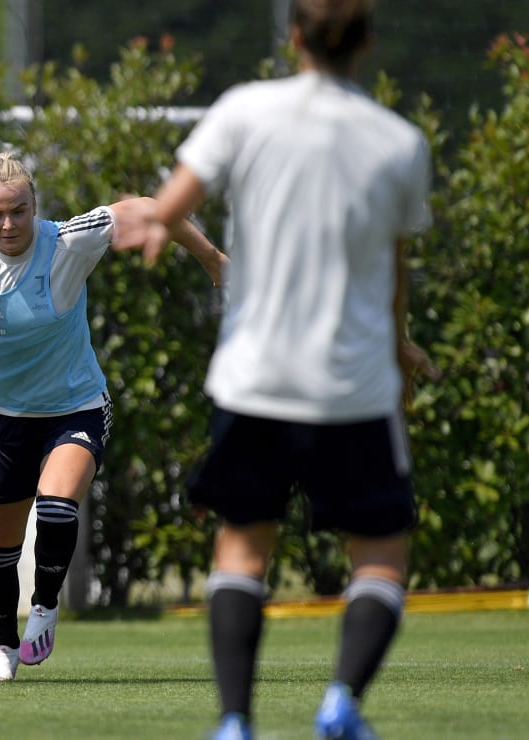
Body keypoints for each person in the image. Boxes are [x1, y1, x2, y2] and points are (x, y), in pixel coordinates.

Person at [122, 1, 437, 737]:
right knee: (381, 554)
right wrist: (399, 349)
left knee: (243, 542)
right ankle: (341, 701)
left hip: (255, 379)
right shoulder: (399, 142)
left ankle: (235, 721)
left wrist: (160, 228)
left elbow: (168, 206)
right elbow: (394, 270)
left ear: (292, 36)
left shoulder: (244, 112)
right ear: (367, 43)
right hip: (352, 386)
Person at [0, 151, 227, 681]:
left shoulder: (68, 241)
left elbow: (153, 208)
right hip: (8, 417)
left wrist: (211, 260)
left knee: (58, 504)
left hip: (76, 407)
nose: (8, 224)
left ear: (35, 205)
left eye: (19, 211)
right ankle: (2, 645)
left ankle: (45, 605)